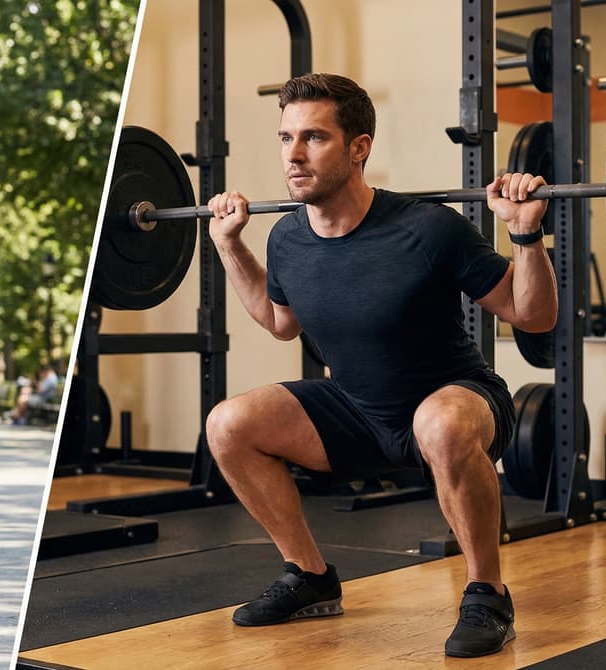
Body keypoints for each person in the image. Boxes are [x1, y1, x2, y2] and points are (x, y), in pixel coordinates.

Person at [202, 73, 556, 658]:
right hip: (358, 409)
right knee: (228, 424)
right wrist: (228, 244)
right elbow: (277, 319)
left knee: (439, 423)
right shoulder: (287, 238)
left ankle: (488, 592)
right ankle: (309, 576)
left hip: (456, 397)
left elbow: (532, 315)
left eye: (313, 137)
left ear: (359, 147)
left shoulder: (429, 228)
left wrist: (525, 232)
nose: (293, 154)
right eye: (286, 137)